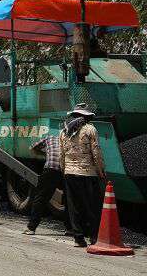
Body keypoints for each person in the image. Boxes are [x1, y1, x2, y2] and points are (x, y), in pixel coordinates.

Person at [59, 103, 105, 247]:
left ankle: (78, 238)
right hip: (88, 173)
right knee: (91, 205)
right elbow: (96, 152)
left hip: (70, 174)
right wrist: (101, 170)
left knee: (74, 206)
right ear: (86, 117)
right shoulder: (90, 129)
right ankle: (94, 237)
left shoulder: (64, 132)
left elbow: (62, 155)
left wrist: (64, 170)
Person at [23, 135, 71, 235]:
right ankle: (70, 229)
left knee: (40, 198)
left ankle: (31, 228)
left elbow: (32, 147)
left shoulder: (49, 138)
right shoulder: (68, 139)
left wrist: (45, 154)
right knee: (69, 200)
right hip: (65, 171)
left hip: (50, 170)